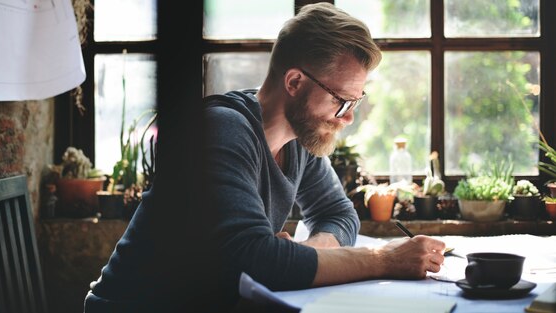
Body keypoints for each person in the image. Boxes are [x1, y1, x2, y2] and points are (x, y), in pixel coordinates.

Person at [84, 3, 446, 312]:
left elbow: (337, 213)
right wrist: (385, 259)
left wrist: (304, 252)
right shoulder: (221, 129)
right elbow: (255, 261)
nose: (348, 117)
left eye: (356, 101)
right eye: (341, 100)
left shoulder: (301, 139)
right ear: (294, 83)